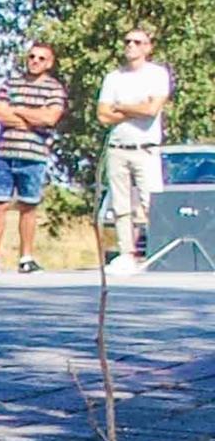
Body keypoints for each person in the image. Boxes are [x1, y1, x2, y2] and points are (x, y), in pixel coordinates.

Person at [0, 41, 66, 273]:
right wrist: (31, 118)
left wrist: (17, 111)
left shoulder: (54, 89)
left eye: (41, 58)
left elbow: (50, 118)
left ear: (49, 63)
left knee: (29, 206)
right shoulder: (11, 84)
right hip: (4, 153)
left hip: (34, 154)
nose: (35, 61)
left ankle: (26, 258)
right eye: (31, 57)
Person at [96, 24, 174, 272]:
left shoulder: (157, 74)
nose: (131, 46)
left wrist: (121, 107)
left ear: (148, 48)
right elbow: (103, 116)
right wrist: (133, 108)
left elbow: (151, 109)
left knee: (151, 201)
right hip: (118, 146)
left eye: (138, 42)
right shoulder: (113, 77)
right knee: (120, 204)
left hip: (146, 147)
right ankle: (126, 253)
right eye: (128, 41)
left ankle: (158, 251)